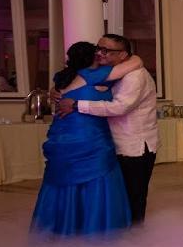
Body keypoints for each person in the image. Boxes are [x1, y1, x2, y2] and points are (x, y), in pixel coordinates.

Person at [31, 42, 141, 236]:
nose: (101, 54)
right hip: (89, 135)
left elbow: (57, 92)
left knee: (62, 177)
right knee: (97, 177)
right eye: (98, 52)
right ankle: (94, 226)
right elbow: (136, 62)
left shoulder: (61, 77)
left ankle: (63, 225)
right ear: (93, 57)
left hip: (62, 134)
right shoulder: (94, 75)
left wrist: (53, 91)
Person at [55, 34, 159, 225]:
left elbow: (119, 107)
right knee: (117, 196)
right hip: (113, 143)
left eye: (106, 50)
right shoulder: (113, 72)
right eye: (99, 48)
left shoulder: (135, 76)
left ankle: (135, 237)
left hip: (134, 146)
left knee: (133, 195)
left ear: (123, 55)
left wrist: (77, 104)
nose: (100, 53)